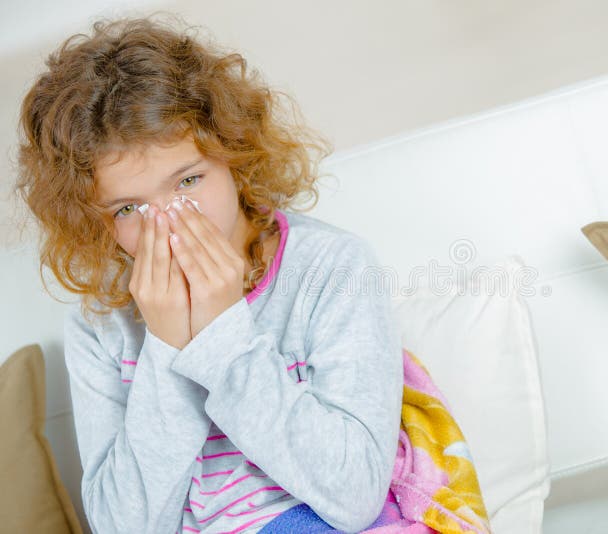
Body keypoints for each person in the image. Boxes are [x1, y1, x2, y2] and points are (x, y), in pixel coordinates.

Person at [13, 15, 404, 534]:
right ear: (93, 220)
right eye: (129, 209)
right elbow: (123, 527)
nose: (170, 226)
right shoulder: (100, 327)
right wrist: (167, 345)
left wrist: (220, 335)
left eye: (189, 180)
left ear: (235, 157)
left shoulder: (331, 268)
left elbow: (355, 495)